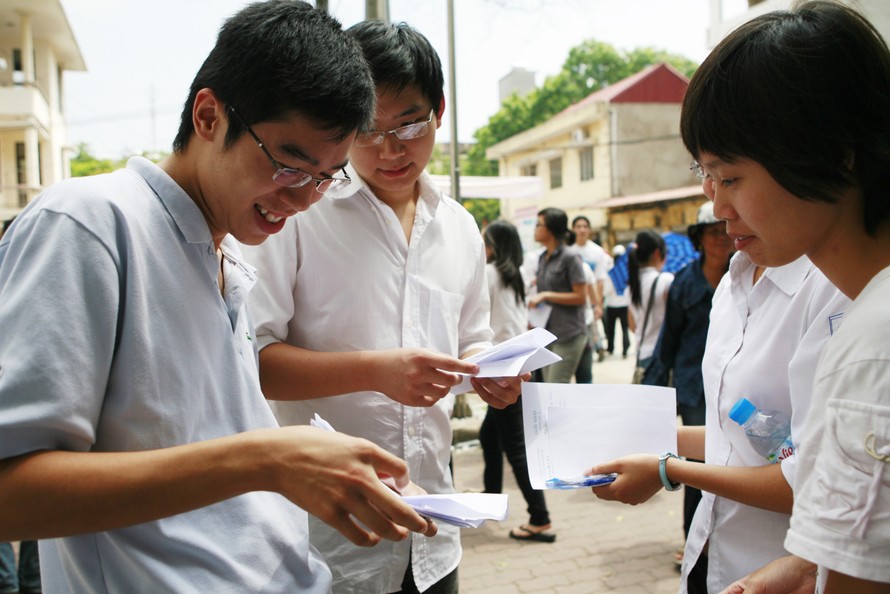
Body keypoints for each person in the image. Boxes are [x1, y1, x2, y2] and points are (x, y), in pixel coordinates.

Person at [0, 3, 438, 592]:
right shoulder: (91, 224)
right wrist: (269, 460)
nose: (304, 198)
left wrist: (312, 465)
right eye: (289, 163)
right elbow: (12, 495)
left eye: (327, 177)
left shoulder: (227, 259)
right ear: (208, 115)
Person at [241, 20, 522, 594]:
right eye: (368, 129)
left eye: (410, 125)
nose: (390, 150)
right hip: (326, 543)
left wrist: (489, 370)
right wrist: (377, 370)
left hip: (433, 537)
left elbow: (471, 337)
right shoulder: (296, 212)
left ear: (440, 111)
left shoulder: (461, 227)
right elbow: (254, 361)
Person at [681, 1, 890, 591]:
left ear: (834, 151)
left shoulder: (871, 338)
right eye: (708, 176)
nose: (718, 207)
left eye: (732, 177)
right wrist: (807, 566)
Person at [646, 201, 734, 568]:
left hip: (732, 385)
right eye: (712, 232)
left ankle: (722, 537)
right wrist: (652, 393)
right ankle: (693, 541)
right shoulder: (684, 282)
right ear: (699, 238)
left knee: (730, 462)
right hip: (694, 386)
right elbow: (668, 341)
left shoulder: (744, 275)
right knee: (700, 464)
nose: (720, 238)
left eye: (723, 230)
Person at [477, 220, 556, 544]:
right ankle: (490, 498)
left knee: (515, 447)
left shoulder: (490, 273)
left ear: (494, 244)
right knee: (489, 436)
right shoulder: (516, 275)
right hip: (521, 362)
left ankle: (540, 518)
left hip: (503, 367)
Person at [528, 207, 588, 383]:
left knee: (555, 387)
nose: (535, 229)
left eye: (539, 225)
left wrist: (546, 295)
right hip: (547, 334)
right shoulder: (542, 258)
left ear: (551, 229)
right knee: (547, 388)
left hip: (569, 334)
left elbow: (580, 296)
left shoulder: (570, 257)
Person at [627, 230, 673, 380]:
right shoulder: (665, 280)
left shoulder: (631, 286)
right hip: (660, 355)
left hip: (641, 354)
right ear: (657, 253)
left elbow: (633, 326)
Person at [571, 215, 609, 365]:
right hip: (573, 302)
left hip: (589, 303)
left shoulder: (597, 252)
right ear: (573, 229)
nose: (582, 230)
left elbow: (599, 280)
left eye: (585, 226)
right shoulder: (569, 251)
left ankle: (596, 348)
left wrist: (598, 304)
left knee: (591, 330)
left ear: (589, 230)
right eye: (578, 226)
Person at [603, 244, 630, 359]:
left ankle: (611, 348)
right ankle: (625, 349)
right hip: (624, 304)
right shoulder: (627, 271)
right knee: (625, 328)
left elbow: (606, 291)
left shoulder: (611, 272)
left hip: (612, 305)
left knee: (611, 329)